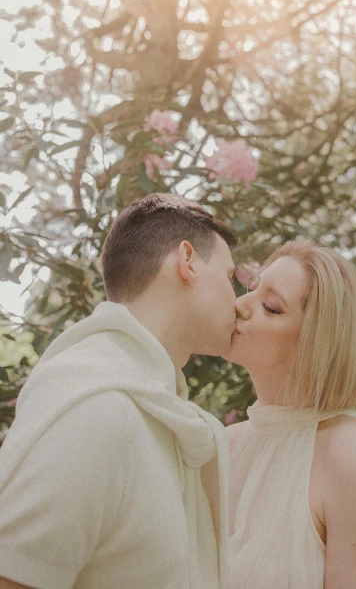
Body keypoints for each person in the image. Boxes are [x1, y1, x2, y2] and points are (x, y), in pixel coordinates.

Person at [0, 194, 238, 589]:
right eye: (230, 278)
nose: (238, 301)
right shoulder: (96, 410)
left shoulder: (158, 414)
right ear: (188, 261)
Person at [223, 238, 356, 588]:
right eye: (251, 289)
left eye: (271, 307)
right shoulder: (225, 443)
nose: (239, 305)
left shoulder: (353, 455)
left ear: (318, 342)